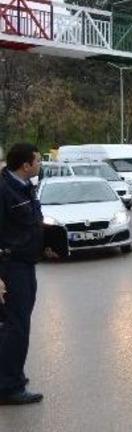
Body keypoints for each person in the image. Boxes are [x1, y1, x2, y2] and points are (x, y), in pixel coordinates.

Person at [0, 143, 48, 405]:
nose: (39, 165)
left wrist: (48, 244)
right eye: (37, 161)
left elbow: (31, 224)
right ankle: (8, 387)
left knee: (15, 324)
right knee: (16, 327)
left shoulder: (25, 186)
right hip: (10, 267)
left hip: (26, 264)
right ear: (25, 165)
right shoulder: (3, 190)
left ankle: (10, 374)